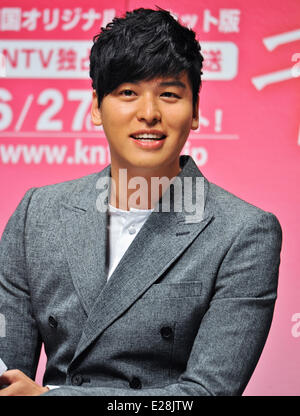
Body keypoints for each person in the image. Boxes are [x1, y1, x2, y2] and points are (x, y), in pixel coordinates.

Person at [0, 7, 282, 396]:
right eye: (128, 93)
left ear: (196, 110)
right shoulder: (38, 213)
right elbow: (6, 373)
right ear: (96, 106)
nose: (149, 114)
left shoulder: (243, 231)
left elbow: (206, 393)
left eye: (168, 94)